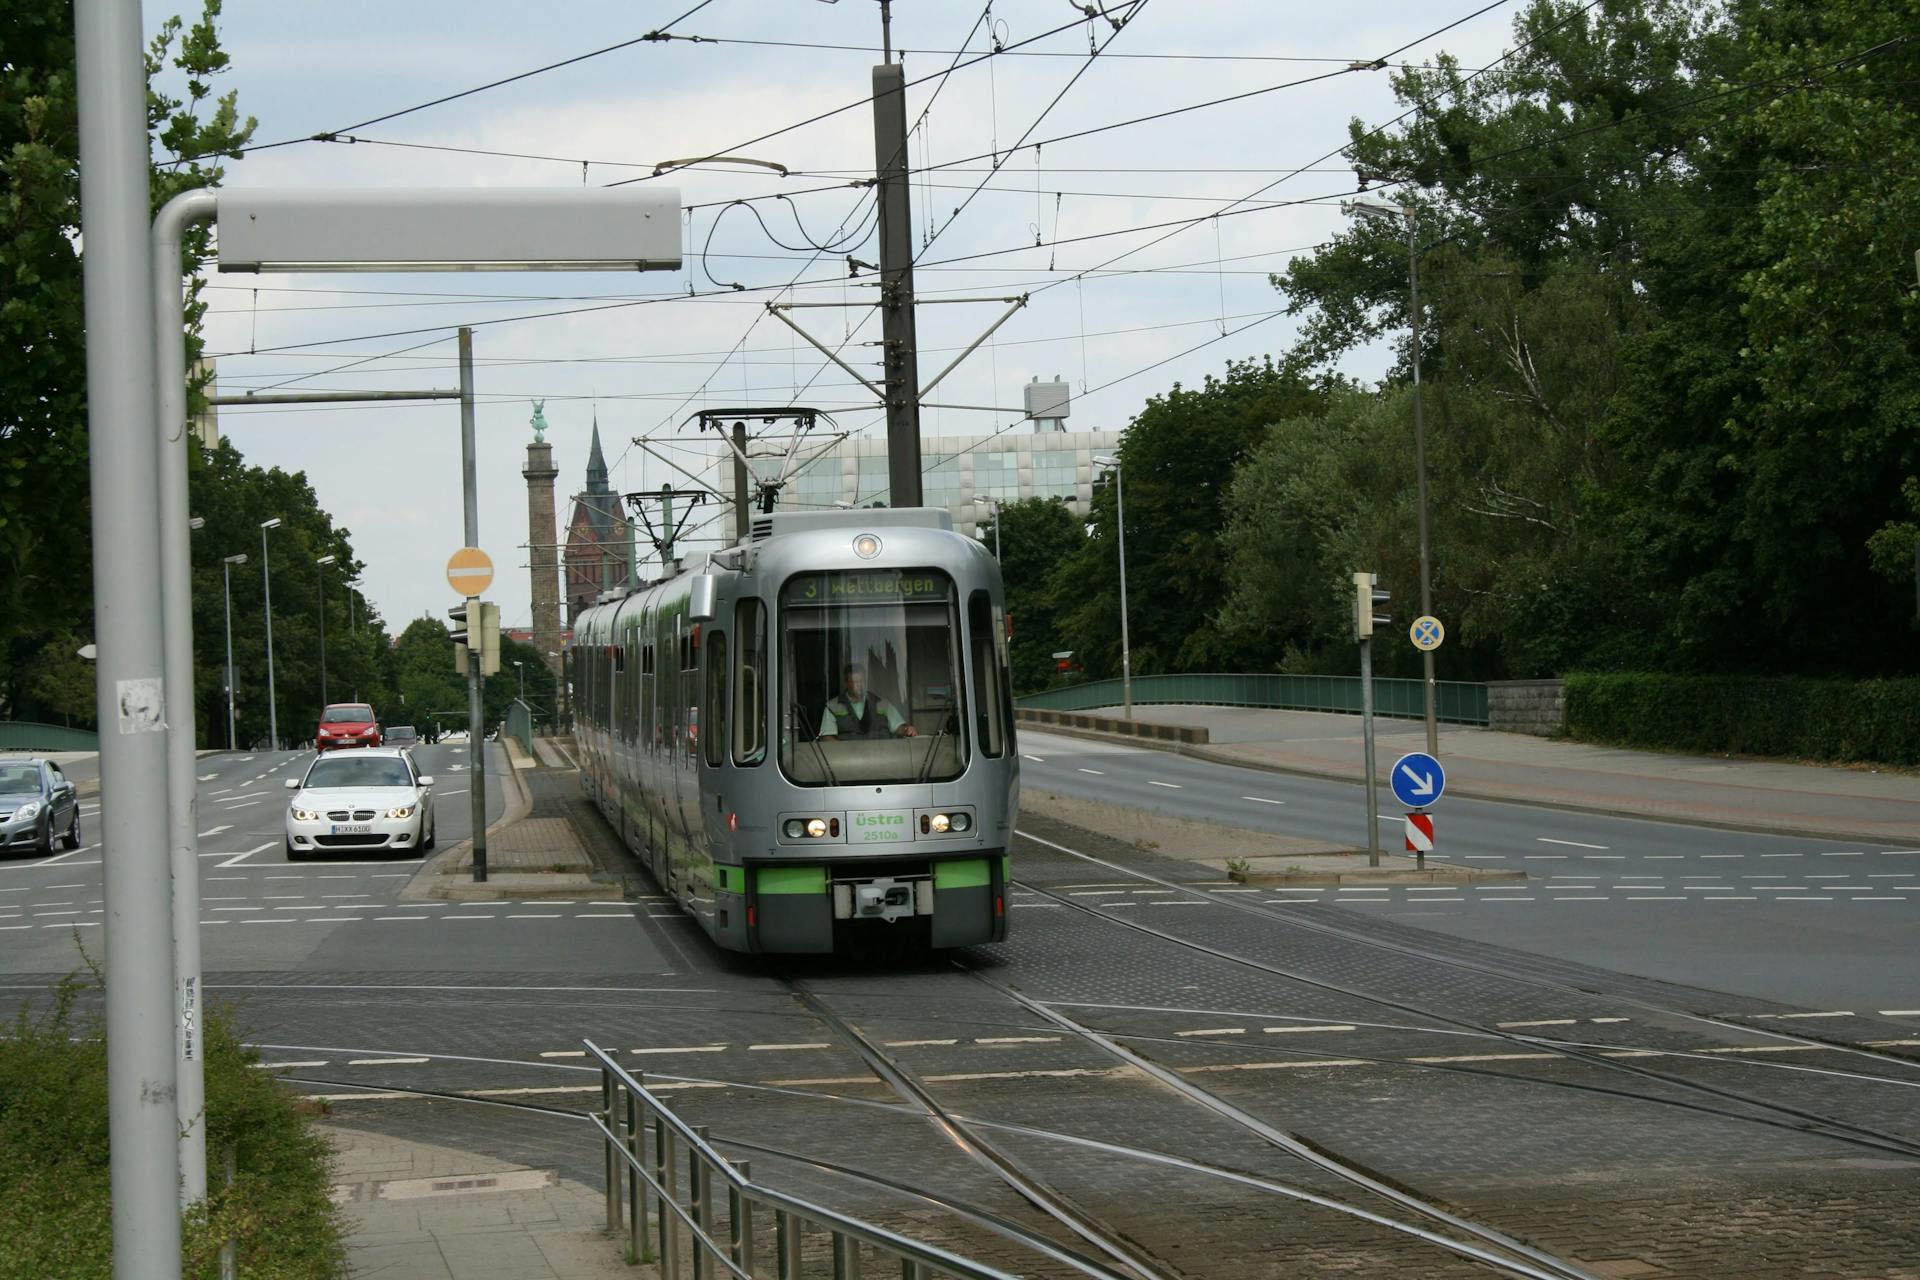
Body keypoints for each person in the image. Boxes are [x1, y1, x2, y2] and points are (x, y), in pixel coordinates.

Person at [818, 663, 917, 741]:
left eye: (862, 681)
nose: (859, 685)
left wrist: (907, 729)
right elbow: (827, 738)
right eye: (855, 681)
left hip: (882, 758)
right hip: (849, 761)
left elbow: (899, 728)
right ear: (846, 683)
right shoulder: (833, 707)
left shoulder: (882, 703)